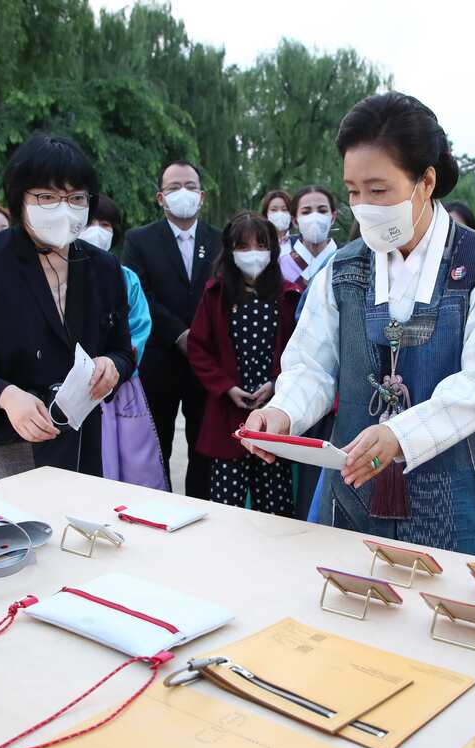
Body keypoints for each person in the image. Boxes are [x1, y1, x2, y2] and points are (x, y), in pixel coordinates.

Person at [241, 92, 475, 569]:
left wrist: (400, 433)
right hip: (357, 481)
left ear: (425, 181)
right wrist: (283, 414)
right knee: (356, 604)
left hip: (461, 486)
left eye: (379, 191)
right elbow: (311, 364)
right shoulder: (343, 268)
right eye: (353, 192)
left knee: (454, 620)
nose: (363, 206)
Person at [0, 134, 134, 475]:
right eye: (46, 197)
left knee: (72, 525)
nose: (62, 208)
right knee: (14, 528)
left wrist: (112, 366)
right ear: (21, 198)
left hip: (79, 441)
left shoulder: (104, 267)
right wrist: (6, 395)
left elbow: (121, 350)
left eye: (75, 198)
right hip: (3, 439)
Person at [121, 160, 223, 497]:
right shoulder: (139, 240)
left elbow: (223, 295)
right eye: (174, 187)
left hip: (206, 362)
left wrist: (201, 339)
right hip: (159, 360)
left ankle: (203, 510)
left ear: (202, 196)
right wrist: (179, 334)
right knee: (156, 444)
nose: (184, 194)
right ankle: (158, 507)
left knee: (203, 446)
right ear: (160, 197)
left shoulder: (219, 240)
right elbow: (140, 295)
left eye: (191, 187)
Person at [189, 212, 299, 514]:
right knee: (227, 508)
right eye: (243, 247)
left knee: (276, 507)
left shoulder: (288, 295)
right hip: (227, 414)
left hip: (273, 413)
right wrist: (225, 387)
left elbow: (299, 353)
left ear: (273, 250)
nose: (253, 254)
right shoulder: (216, 294)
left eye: (260, 246)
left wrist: (276, 384)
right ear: (230, 251)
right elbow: (198, 347)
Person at [76, 195, 168, 490]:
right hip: (72, 383)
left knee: (133, 465)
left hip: (120, 384)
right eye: (91, 222)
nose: (97, 229)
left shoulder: (126, 277)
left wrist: (113, 365)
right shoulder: (61, 274)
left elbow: (140, 327)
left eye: (105, 224)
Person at [279, 184, 341, 519]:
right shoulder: (278, 266)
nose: (314, 218)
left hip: (339, 394)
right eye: (305, 211)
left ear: (334, 216)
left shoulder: (346, 264)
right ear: (294, 219)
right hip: (291, 385)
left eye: (321, 210)